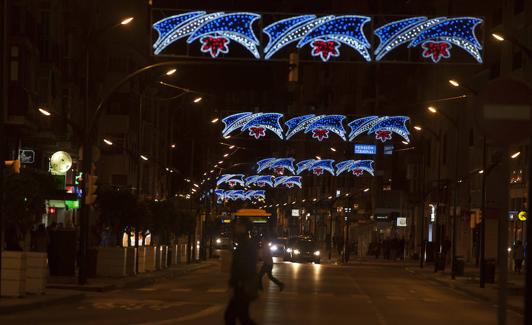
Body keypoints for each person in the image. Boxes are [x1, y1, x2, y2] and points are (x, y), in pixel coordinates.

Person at [224, 219, 258, 325]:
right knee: (240, 317)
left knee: (234, 316)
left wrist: (235, 282)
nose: (236, 227)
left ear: (244, 228)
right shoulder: (244, 243)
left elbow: (242, 266)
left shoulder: (246, 244)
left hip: (242, 285)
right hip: (242, 284)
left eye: (239, 225)